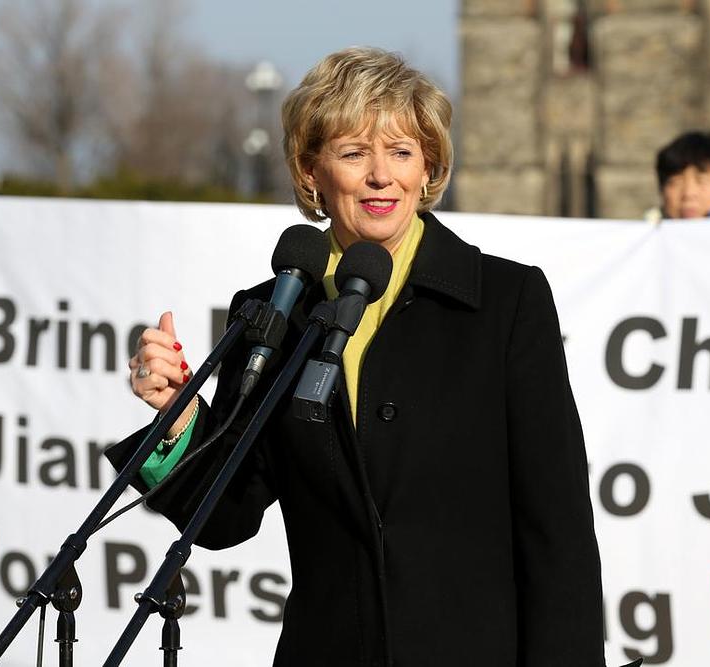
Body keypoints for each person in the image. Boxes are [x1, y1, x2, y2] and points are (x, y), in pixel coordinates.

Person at [106, 47, 604, 667]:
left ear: (428, 169)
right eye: (353, 153)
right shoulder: (272, 313)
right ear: (311, 171)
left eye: (401, 152)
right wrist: (180, 417)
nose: (380, 176)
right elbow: (225, 517)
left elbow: (557, 527)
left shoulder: (506, 302)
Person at [644, 130, 710, 223]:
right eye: (675, 182)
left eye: (702, 181)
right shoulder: (644, 237)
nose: (688, 194)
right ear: (662, 191)